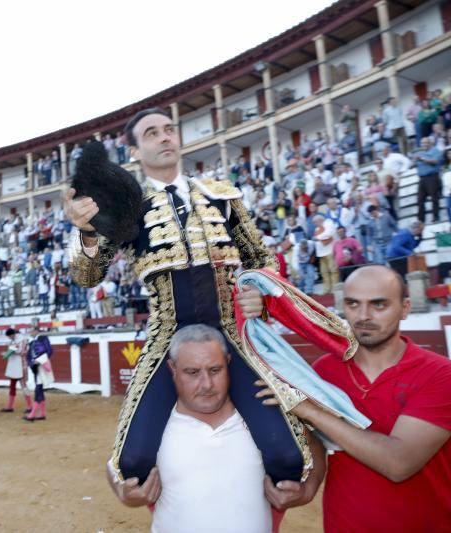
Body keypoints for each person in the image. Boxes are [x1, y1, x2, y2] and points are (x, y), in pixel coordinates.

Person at [65, 107, 310, 487]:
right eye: (151, 134)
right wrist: (87, 233)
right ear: (133, 152)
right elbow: (86, 276)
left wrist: (257, 293)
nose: (164, 137)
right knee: (133, 460)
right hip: (168, 339)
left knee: (287, 456)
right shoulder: (124, 207)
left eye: (169, 130)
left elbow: (262, 259)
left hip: (232, 335)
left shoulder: (221, 196)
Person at [258, 266, 451, 531]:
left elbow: (399, 463)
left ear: (405, 308)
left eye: (379, 304)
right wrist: (309, 487)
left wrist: (312, 410)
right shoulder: (324, 371)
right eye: (352, 304)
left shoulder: (441, 374)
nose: (363, 316)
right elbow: (317, 443)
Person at [108, 325, 324, 533]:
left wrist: (307, 490)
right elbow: (112, 465)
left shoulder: (260, 418)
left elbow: (315, 444)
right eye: (192, 372)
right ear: (173, 369)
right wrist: (121, 491)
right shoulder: (157, 424)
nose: (206, 384)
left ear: (228, 363)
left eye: (215, 370)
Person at [24, 326, 53, 422]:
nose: (29, 332)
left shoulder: (43, 338)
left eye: (31, 330)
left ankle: (32, 414)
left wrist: (39, 361)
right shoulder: (31, 342)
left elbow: (49, 351)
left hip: (42, 366)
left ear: (36, 331)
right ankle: (42, 414)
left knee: (38, 390)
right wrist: (31, 363)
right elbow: (28, 356)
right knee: (39, 389)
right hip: (36, 368)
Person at [0, 328, 32, 414]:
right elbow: (11, 351)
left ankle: (30, 406)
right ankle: (10, 406)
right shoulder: (12, 341)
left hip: (21, 365)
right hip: (13, 365)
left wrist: (11, 352)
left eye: (9, 336)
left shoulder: (23, 340)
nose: (9, 338)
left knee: (24, 386)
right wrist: (7, 353)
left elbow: (23, 352)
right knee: (12, 385)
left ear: (12, 334)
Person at [413, 137, 443, 223]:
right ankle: (421, 220)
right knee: (420, 200)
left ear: (430, 143)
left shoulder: (435, 151)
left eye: (426, 143)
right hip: (422, 178)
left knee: (434, 198)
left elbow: (435, 161)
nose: (424, 144)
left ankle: (435, 217)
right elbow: (413, 164)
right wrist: (415, 161)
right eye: (423, 143)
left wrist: (422, 159)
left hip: (432, 177)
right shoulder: (419, 152)